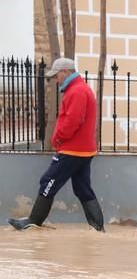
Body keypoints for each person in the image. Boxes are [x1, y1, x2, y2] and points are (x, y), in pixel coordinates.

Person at [7, 58, 104, 232]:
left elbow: (72, 121)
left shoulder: (76, 91)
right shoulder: (80, 89)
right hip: (82, 150)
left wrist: (58, 137)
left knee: (48, 182)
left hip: (72, 149)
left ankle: (33, 222)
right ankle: (98, 228)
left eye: (56, 76)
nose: (56, 79)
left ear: (65, 72)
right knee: (82, 188)